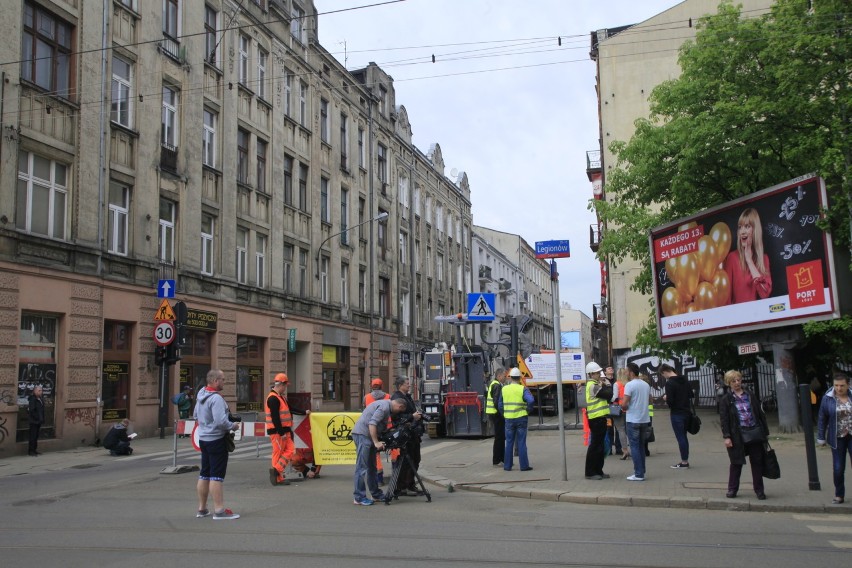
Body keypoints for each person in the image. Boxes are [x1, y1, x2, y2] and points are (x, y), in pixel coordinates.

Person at [195, 369, 241, 519]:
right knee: (217, 476)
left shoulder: (201, 395)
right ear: (215, 381)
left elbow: (196, 415)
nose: (224, 382)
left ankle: (202, 509)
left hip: (204, 439)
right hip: (216, 439)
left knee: (204, 474)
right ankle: (219, 511)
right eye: (222, 379)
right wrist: (232, 426)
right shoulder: (216, 399)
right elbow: (221, 421)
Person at [719, 369, 769, 500]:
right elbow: (724, 419)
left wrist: (765, 432)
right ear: (728, 383)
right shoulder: (726, 399)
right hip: (737, 434)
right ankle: (732, 489)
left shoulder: (750, 395)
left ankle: (759, 490)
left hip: (754, 431)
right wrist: (727, 436)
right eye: (733, 381)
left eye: (738, 380)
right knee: (736, 462)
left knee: (757, 461)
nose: (737, 383)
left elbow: (759, 414)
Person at [352, 397, 406, 506]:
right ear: (400, 406)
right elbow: (372, 424)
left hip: (368, 436)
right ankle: (359, 497)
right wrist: (376, 442)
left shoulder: (385, 405)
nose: (397, 414)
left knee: (372, 467)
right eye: (400, 411)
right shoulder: (384, 407)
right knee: (361, 467)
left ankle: (375, 494)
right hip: (363, 435)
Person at [266, 372, 309, 487]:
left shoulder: (280, 397)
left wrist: (304, 412)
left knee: (289, 451)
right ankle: (277, 475)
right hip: (278, 432)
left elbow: (290, 409)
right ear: (281, 384)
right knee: (279, 453)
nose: (285, 388)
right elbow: (275, 417)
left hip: (284, 430)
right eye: (285, 386)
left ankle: (276, 472)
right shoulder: (273, 399)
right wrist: (281, 432)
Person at [723, 207, 772, 304]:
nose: (742, 231)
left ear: (755, 230)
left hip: (759, 317)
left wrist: (749, 260)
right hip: (739, 317)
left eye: (747, 226)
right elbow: (727, 299)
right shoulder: (732, 258)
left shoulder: (764, 259)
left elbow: (765, 293)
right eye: (740, 227)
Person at [817, 372, 852, 504]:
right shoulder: (828, 398)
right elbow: (822, 418)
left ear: (848, 385)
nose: (839, 388)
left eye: (842, 385)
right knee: (838, 468)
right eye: (836, 385)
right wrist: (821, 437)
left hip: (851, 435)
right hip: (837, 437)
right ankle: (839, 495)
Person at [391, 376, 424, 496]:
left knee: (415, 459)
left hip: (413, 433)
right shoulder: (397, 399)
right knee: (407, 460)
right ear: (400, 385)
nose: (409, 385)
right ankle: (403, 486)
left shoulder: (406, 397)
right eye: (407, 383)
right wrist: (412, 417)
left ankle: (409, 484)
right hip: (406, 435)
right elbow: (396, 418)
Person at [499, 367, 534, 472]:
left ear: (510, 377)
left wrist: (504, 413)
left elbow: (500, 404)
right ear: (520, 378)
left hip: (509, 419)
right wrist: (527, 410)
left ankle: (507, 466)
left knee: (509, 442)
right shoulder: (523, 389)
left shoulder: (504, 389)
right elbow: (531, 400)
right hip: (521, 418)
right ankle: (524, 466)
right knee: (521, 442)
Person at [621, 362, 651, 481]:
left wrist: (624, 407)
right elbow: (651, 401)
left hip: (633, 419)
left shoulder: (629, 385)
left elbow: (624, 403)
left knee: (634, 447)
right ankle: (641, 471)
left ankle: (638, 474)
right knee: (641, 447)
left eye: (627, 371)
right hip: (644, 419)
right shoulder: (646, 385)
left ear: (631, 372)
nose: (626, 373)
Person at [584, 362, 612, 480]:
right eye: (597, 373)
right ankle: (590, 472)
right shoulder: (592, 385)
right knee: (595, 446)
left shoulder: (595, 384)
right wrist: (608, 384)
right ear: (591, 374)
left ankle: (598, 471)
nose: (599, 374)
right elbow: (609, 395)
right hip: (596, 419)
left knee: (599, 446)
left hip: (600, 418)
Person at [661, 363, 692, 469]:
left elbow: (670, 401)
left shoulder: (670, 383)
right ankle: (685, 459)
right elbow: (691, 394)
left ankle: (684, 462)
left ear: (665, 372)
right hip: (687, 412)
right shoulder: (684, 379)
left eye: (663, 375)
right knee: (684, 436)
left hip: (677, 413)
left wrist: (666, 398)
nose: (664, 377)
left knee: (681, 437)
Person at [364, 378, 390, 485]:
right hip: (387, 428)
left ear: (372, 386)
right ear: (381, 386)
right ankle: (398, 474)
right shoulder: (388, 396)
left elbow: (364, 412)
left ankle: (379, 478)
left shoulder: (367, 397)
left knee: (375, 453)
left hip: (372, 428)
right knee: (395, 450)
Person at [486, 368, 507, 466]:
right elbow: (496, 402)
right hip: (496, 414)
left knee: (499, 437)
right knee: (500, 437)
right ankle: (498, 459)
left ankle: (499, 459)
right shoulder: (497, 386)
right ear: (499, 376)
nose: (505, 378)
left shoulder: (494, 384)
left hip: (493, 414)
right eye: (504, 376)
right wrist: (502, 413)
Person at [614, 368, 630, 460]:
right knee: (629, 430)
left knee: (621, 430)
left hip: (618, 410)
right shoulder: (629, 384)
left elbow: (615, 397)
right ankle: (633, 449)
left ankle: (625, 451)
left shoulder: (617, 384)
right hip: (628, 409)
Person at [27, 385, 45, 456]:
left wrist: (41, 419)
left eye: (41, 390)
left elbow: (42, 410)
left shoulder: (40, 399)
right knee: (33, 436)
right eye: (39, 390)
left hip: (38, 421)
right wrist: (37, 417)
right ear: (34, 391)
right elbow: (32, 410)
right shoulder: (32, 399)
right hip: (34, 421)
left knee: (36, 436)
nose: (41, 392)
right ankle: (31, 451)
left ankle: (34, 450)